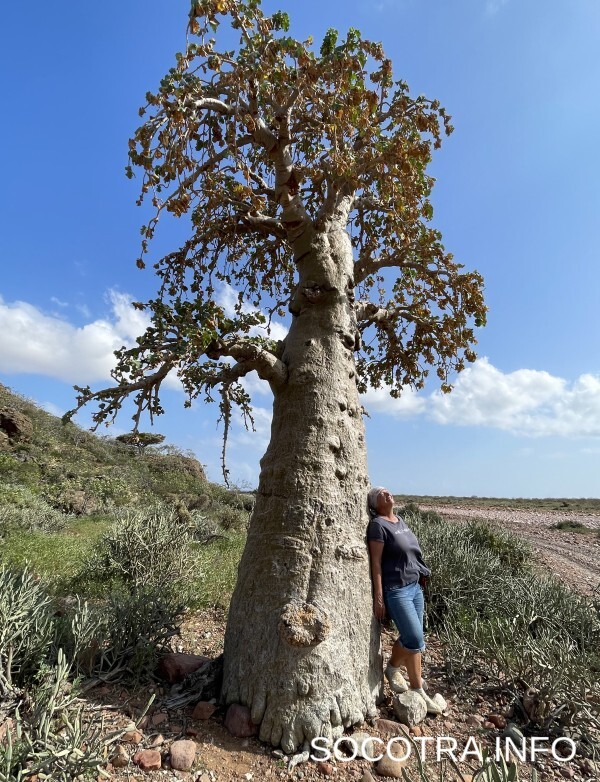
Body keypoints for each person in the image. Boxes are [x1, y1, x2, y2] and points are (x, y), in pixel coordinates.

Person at [366, 486, 443, 714]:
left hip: (414, 586)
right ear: (375, 504)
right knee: (415, 638)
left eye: (388, 491)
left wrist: (420, 573)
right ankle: (392, 668)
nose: (388, 494)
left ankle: (418, 688)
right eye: (382, 494)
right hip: (396, 589)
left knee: (415, 640)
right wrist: (378, 597)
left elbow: (411, 552)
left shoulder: (399, 520)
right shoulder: (378, 526)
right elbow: (376, 563)